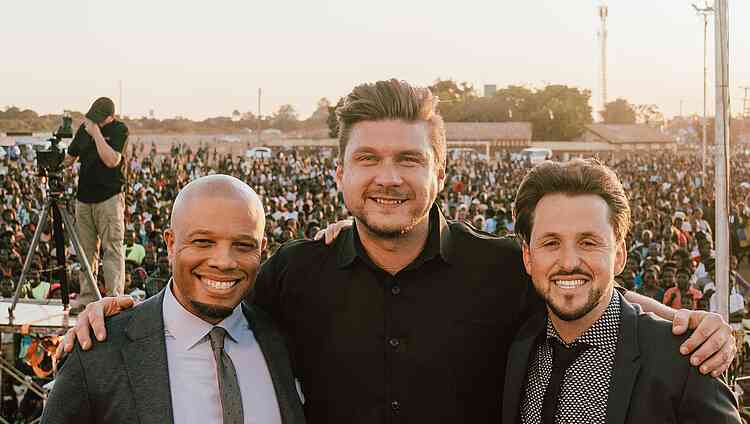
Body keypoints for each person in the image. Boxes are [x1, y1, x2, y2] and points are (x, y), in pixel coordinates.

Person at [60, 80, 735, 424]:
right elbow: (205, 301)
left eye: (410, 159)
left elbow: (581, 284)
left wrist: (686, 324)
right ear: (341, 176)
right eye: (369, 159)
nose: (389, 177)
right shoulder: (295, 273)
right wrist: (119, 312)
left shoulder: (500, 267)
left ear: (441, 174)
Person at [42, 175, 305, 424]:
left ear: (262, 248)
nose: (223, 262)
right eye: (203, 242)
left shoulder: (285, 340)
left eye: (244, 245)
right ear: (170, 243)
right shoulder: (98, 352)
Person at [502, 159, 740, 423]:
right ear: (527, 257)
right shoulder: (518, 349)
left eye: (589, 242)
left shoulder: (685, 361)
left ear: (619, 255)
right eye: (551, 243)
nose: (569, 262)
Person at [63, 97, 129, 314]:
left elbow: (112, 160)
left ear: (110, 117)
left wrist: (97, 134)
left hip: (109, 198)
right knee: (85, 251)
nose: (96, 123)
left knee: (112, 248)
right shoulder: (84, 130)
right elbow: (70, 158)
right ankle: (87, 298)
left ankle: (113, 300)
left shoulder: (120, 130)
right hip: (84, 199)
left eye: (100, 120)